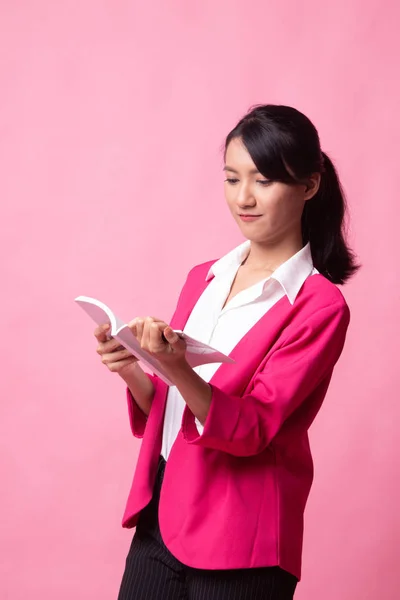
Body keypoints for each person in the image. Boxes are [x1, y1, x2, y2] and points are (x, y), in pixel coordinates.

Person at [94, 104, 358, 600]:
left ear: (310, 185)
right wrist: (134, 368)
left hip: (244, 532)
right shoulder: (204, 277)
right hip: (164, 511)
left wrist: (176, 368)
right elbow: (175, 407)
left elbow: (254, 427)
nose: (244, 198)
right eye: (232, 178)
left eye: (263, 180)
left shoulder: (319, 306)